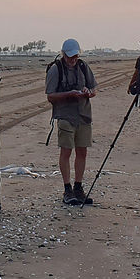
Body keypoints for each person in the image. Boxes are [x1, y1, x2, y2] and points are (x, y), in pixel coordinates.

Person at [46, 39, 97, 205]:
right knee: (66, 152)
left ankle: (78, 187)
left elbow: (94, 89)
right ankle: (67, 189)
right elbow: (50, 96)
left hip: (83, 115)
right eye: (70, 57)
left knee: (82, 152)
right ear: (63, 54)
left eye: (75, 56)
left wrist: (87, 92)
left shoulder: (83, 67)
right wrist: (69, 94)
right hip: (65, 116)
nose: (73, 60)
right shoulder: (56, 70)